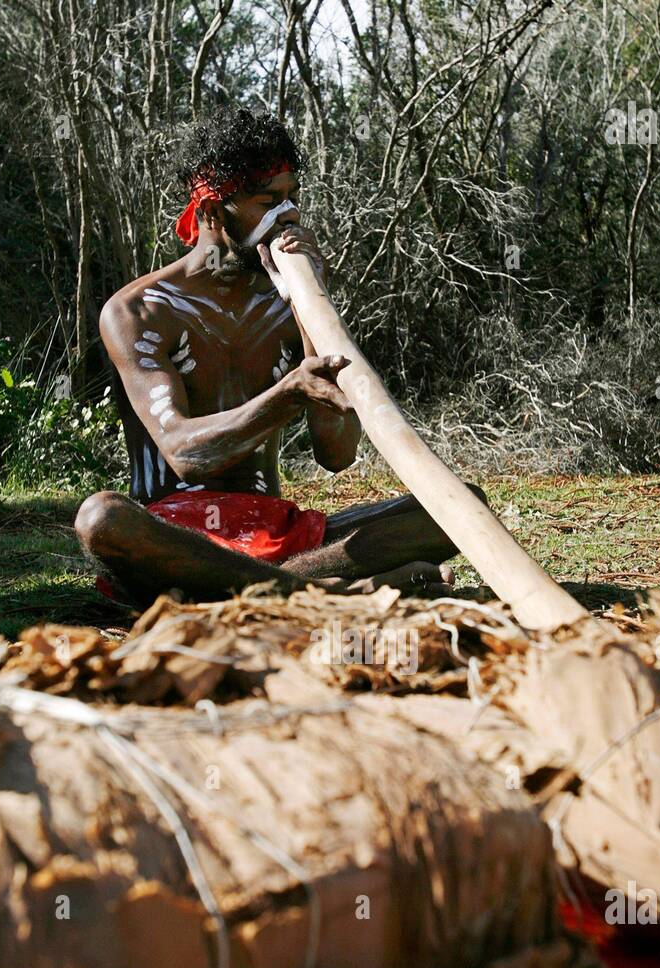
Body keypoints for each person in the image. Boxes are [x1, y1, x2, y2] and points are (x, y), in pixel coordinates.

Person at [75, 106, 483, 604]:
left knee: (462, 506)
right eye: (267, 200)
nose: (286, 216)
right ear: (211, 210)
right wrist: (287, 395)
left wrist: (313, 308)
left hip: (280, 536)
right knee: (103, 520)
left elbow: (337, 455)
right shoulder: (139, 311)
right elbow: (184, 455)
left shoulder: (292, 305)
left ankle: (282, 588)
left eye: (292, 199)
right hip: (176, 535)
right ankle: (320, 593)